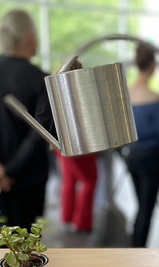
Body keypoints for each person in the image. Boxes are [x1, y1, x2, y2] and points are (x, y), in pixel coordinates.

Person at [0, 9, 53, 240]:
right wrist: (10, 171)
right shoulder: (39, 78)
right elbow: (40, 134)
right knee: (27, 250)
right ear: (29, 37)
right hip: (29, 182)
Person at [122, 43, 159, 247]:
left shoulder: (126, 95)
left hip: (131, 156)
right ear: (153, 65)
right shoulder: (155, 98)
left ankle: (135, 248)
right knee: (146, 208)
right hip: (151, 158)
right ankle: (137, 251)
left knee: (141, 205)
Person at [54, 59, 97, 233]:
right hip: (80, 145)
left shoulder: (56, 93)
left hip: (60, 144)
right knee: (89, 181)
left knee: (69, 180)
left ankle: (67, 218)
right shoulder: (80, 96)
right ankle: (82, 222)